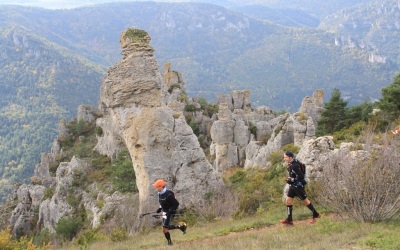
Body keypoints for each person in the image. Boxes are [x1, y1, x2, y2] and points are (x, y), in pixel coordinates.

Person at [280, 150, 321, 225]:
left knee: (305, 201)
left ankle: (316, 214)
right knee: (288, 201)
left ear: (290, 157)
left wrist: (292, 179)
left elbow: (301, 176)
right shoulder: (291, 163)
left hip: (298, 186)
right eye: (284, 157)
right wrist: (291, 179)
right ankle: (289, 220)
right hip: (293, 186)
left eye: (285, 157)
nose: (284, 159)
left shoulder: (295, 165)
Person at [152, 179, 187, 245]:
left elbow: (176, 204)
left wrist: (171, 211)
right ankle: (181, 227)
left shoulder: (168, 194)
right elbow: (162, 202)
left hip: (170, 212)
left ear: (161, 187)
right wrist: (160, 208)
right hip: (165, 212)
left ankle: (170, 243)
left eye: (157, 187)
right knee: (166, 227)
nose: (156, 188)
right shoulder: (159, 194)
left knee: (164, 228)